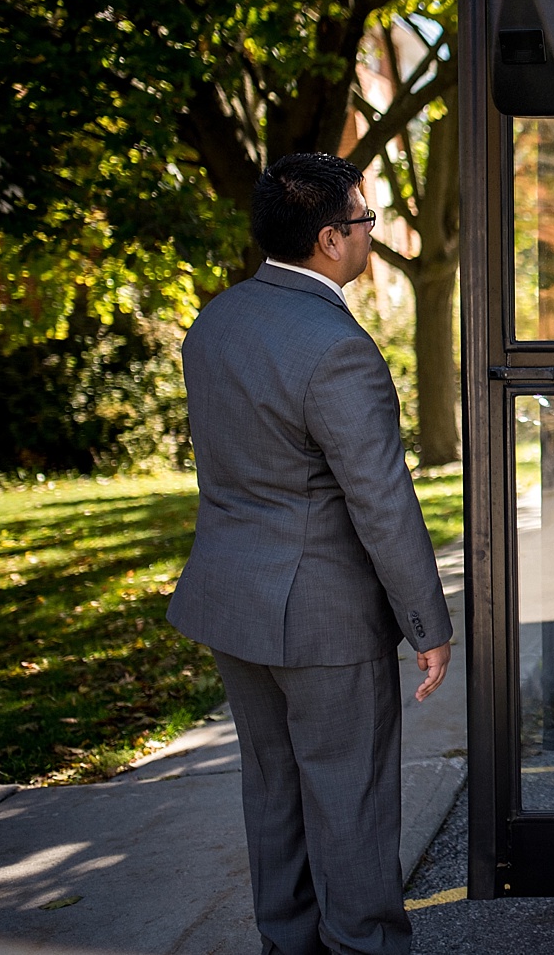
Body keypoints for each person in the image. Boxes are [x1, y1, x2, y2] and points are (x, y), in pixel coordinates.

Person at [168, 152, 453, 955]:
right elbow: (381, 501)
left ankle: (287, 944)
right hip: (324, 619)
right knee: (351, 805)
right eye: (364, 224)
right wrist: (426, 623)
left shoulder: (216, 320)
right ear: (330, 240)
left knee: (275, 793)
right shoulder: (337, 348)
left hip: (233, 604)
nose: (371, 236)